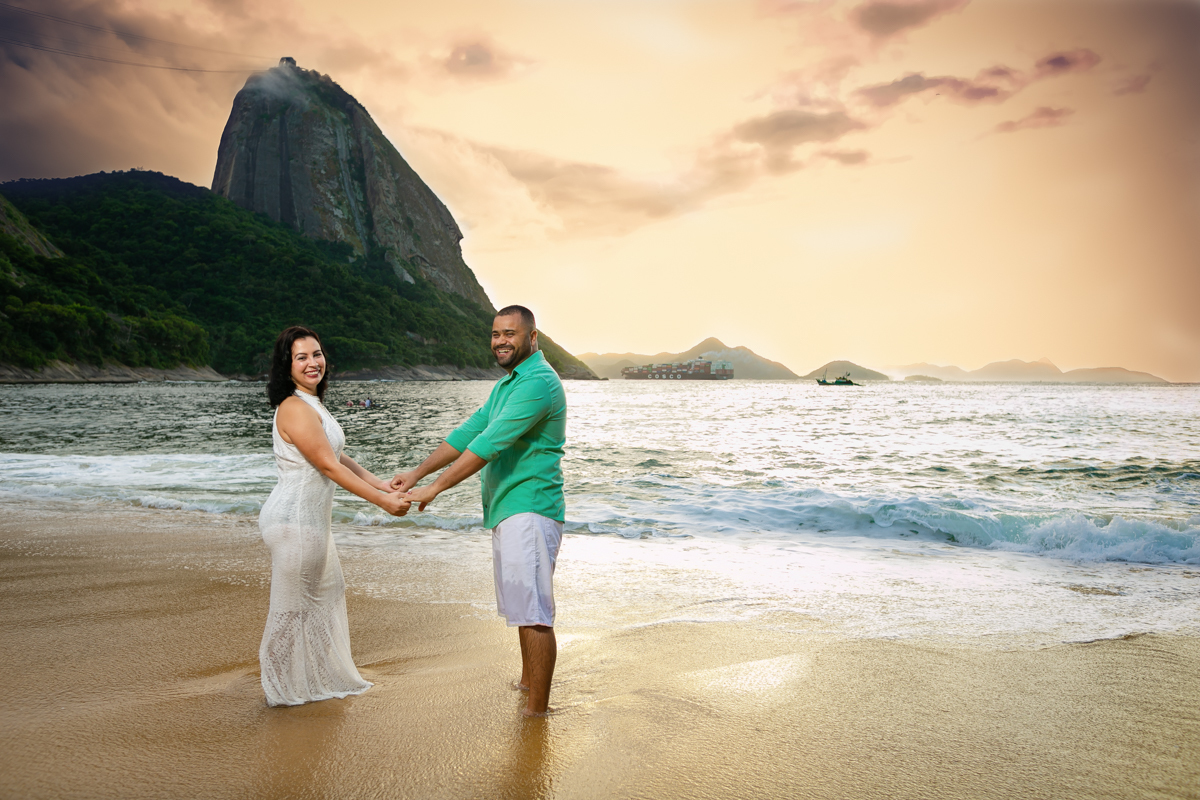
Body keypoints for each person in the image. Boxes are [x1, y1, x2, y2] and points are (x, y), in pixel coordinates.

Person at [392, 305, 566, 717]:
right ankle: (527, 684)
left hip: (531, 506)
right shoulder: (508, 384)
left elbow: (490, 446)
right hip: (510, 507)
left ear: (532, 337)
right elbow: (471, 431)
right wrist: (417, 472)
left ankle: (537, 713)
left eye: (510, 333)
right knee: (523, 608)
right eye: (495, 334)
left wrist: (433, 489)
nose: (501, 341)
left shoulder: (538, 383)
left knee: (535, 613)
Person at [258, 325, 410, 707]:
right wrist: (380, 502)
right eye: (302, 357)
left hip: (308, 522)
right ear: (286, 366)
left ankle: (304, 683)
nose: (313, 363)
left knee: (320, 597)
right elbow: (327, 466)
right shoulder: (293, 406)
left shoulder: (311, 403)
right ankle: (278, 692)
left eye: (317, 354)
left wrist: (381, 484)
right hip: (294, 522)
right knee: (291, 610)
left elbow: (337, 456)